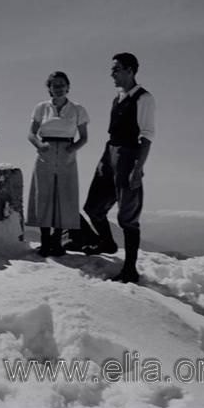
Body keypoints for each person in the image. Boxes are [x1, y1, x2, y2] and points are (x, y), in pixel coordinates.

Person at [83, 53, 155, 283]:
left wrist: (138, 167)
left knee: (127, 216)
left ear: (131, 71)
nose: (111, 74)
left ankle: (130, 270)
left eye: (116, 69)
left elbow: (147, 136)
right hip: (110, 152)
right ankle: (107, 242)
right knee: (93, 207)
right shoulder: (118, 98)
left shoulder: (144, 99)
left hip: (129, 155)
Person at [27, 71, 89, 256]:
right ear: (49, 88)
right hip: (45, 152)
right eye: (55, 85)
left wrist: (73, 148)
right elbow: (31, 133)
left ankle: (58, 242)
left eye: (62, 85)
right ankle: (45, 242)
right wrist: (39, 144)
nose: (59, 88)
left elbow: (84, 137)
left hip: (66, 154)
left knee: (64, 196)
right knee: (44, 195)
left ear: (68, 87)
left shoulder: (77, 109)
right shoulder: (41, 107)